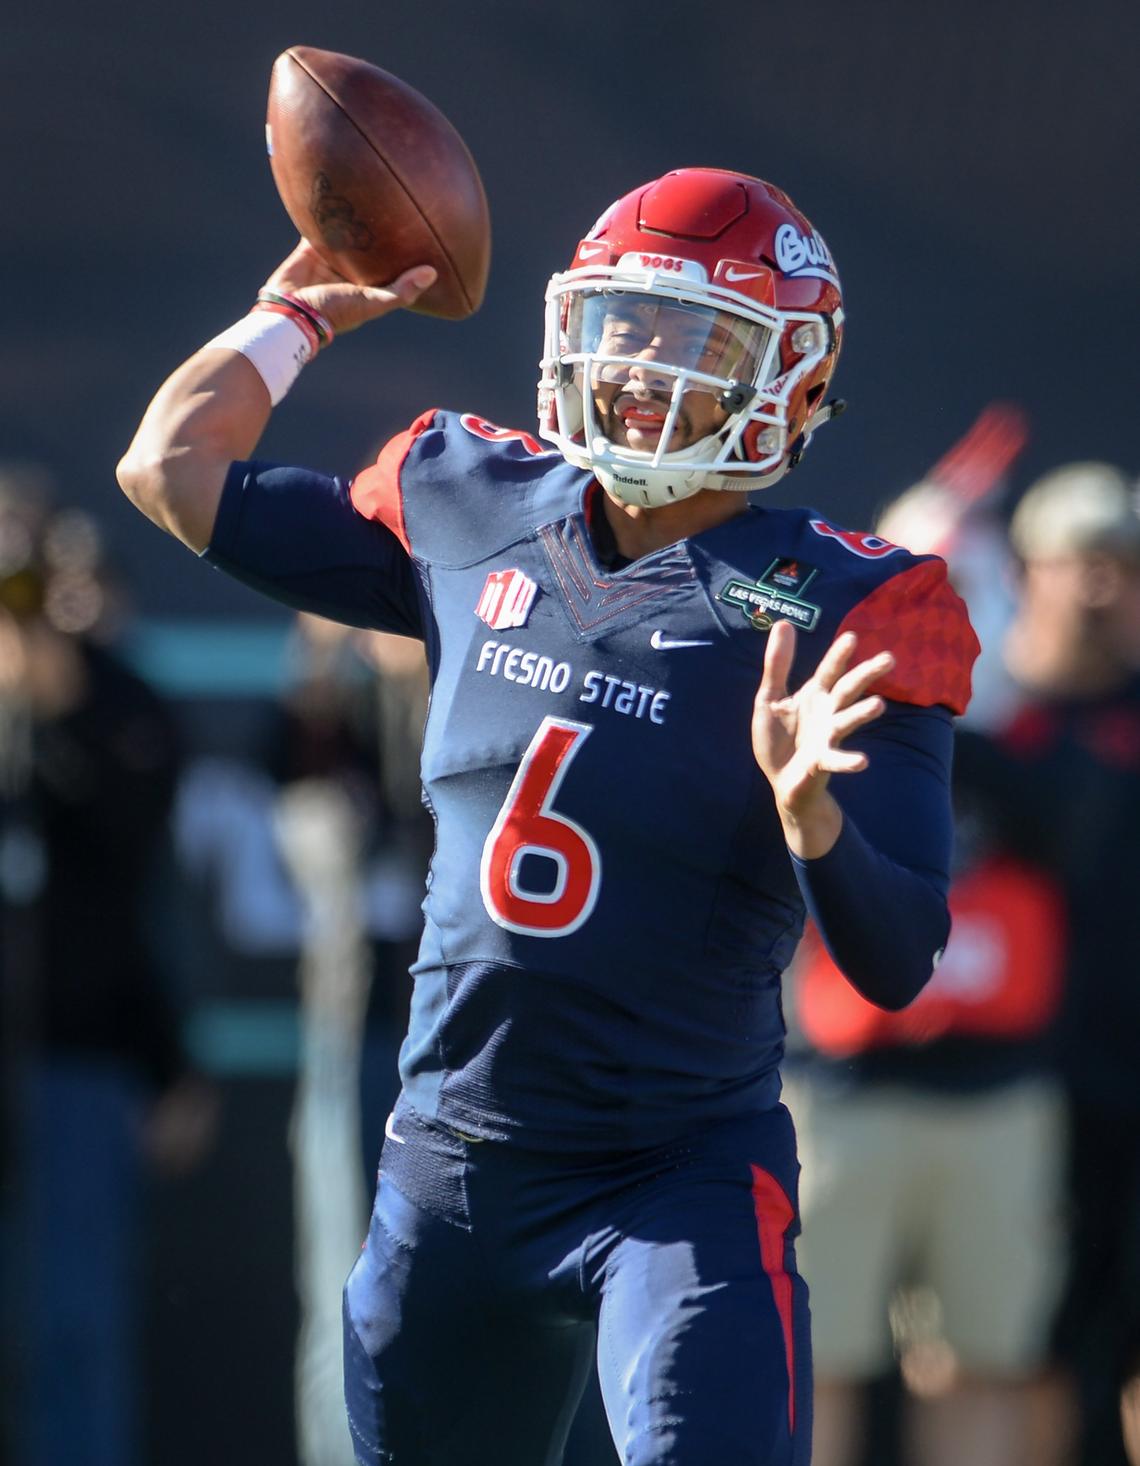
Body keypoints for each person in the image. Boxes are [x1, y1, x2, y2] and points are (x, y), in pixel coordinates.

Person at [117, 167, 979, 1466]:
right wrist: (292, 317)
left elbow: (899, 953)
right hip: (450, 1164)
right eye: (624, 320)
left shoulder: (850, 603)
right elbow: (170, 469)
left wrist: (812, 817)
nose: (640, 361)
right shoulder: (473, 502)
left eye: (694, 334)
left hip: (675, 1171)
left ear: (792, 378)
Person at [951, 461, 1140, 1466]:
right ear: (1028, 570)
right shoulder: (970, 714)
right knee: (1016, 1348)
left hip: (1128, 1081)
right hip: (1007, 1092)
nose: (1104, 587)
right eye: (1084, 563)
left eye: (1126, 565)